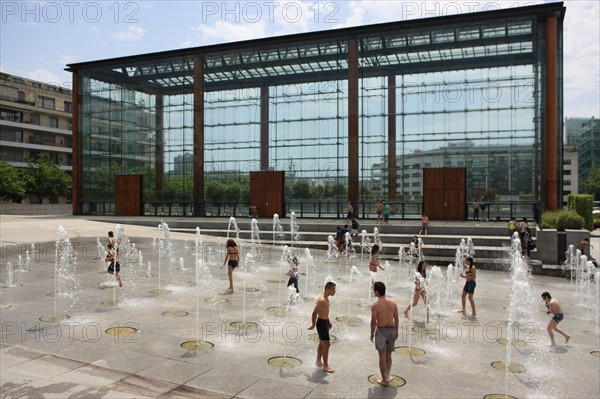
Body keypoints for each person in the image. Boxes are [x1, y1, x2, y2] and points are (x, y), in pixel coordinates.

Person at [370, 281, 399, 386]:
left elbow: (373, 321)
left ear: (377, 292)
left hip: (381, 331)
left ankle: (384, 380)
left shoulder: (375, 305)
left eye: (374, 290)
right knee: (389, 355)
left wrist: (372, 333)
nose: (373, 292)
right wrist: (396, 330)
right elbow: (396, 318)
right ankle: (388, 376)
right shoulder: (393, 302)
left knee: (382, 356)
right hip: (391, 330)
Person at [308, 281, 337, 373]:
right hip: (321, 323)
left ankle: (318, 360)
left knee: (322, 342)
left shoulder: (326, 298)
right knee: (327, 344)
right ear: (328, 289)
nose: (334, 291)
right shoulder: (322, 300)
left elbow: (324, 312)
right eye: (333, 289)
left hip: (324, 322)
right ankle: (326, 365)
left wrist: (328, 321)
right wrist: (313, 324)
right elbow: (314, 313)